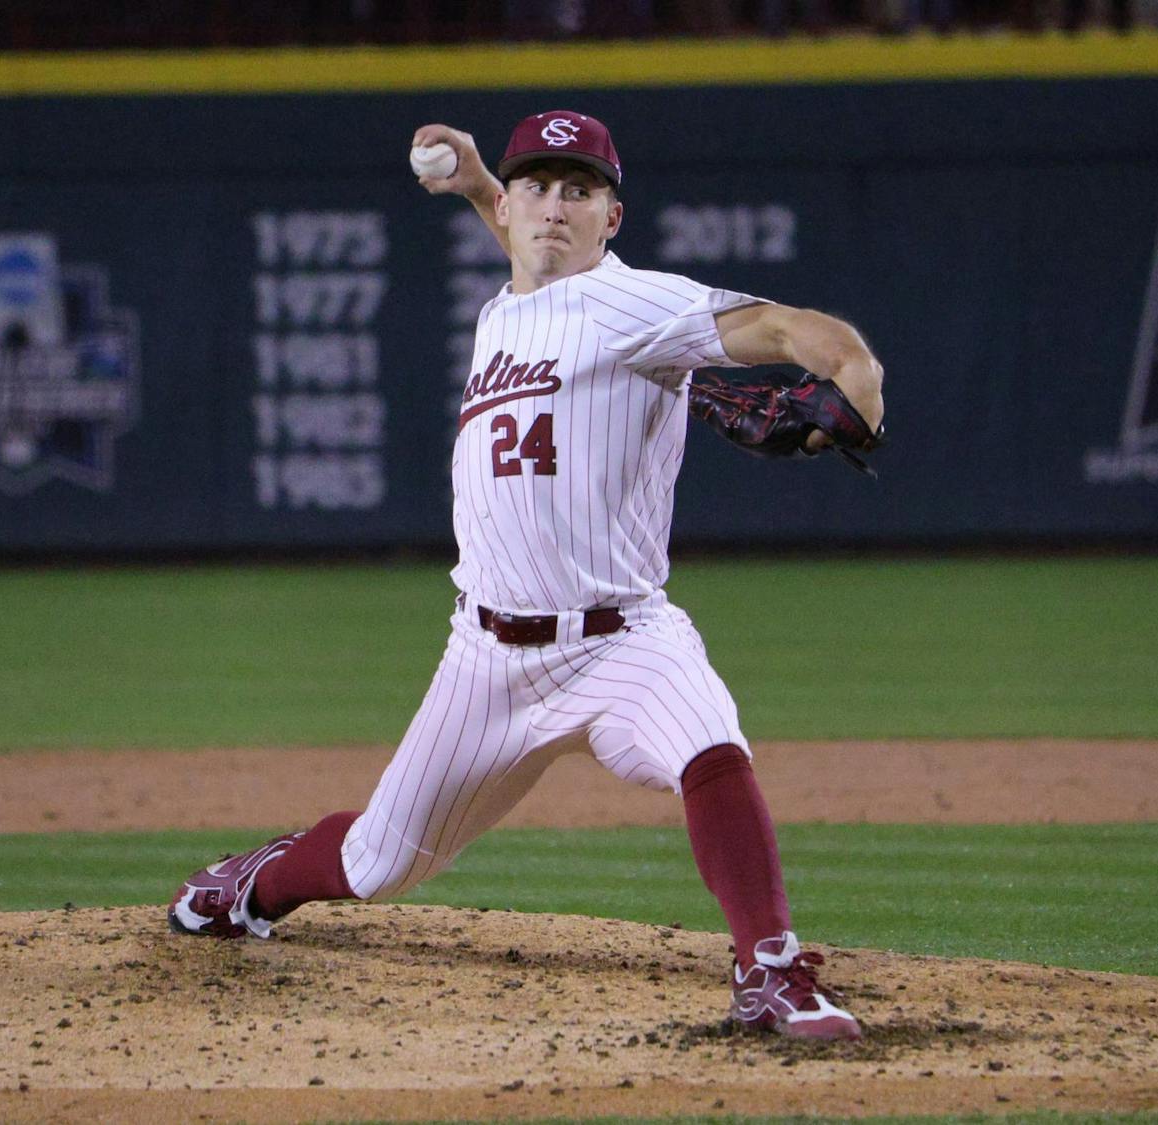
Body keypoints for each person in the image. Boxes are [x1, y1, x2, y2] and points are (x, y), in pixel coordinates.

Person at [169, 110, 885, 1042]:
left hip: (623, 638)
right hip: (487, 656)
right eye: (539, 187)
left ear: (612, 219)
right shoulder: (506, 308)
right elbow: (528, 250)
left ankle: (772, 970)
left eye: (582, 191)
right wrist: (472, 181)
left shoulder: (641, 305)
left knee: (709, 742)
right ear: (511, 206)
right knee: (383, 860)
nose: (558, 207)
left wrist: (854, 370)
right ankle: (255, 881)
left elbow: (788, 328)